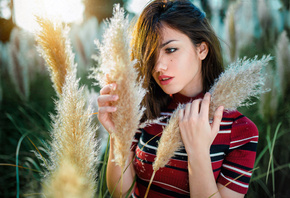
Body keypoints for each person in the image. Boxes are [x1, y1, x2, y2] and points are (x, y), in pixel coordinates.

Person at [97, 0, 258, 197]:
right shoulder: (143, 112)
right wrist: (118, 136)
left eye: (170, 49)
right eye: (151, 54)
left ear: (202, 50)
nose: (158, 66)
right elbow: (120, 193)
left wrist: (197, 152)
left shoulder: (240, 130)